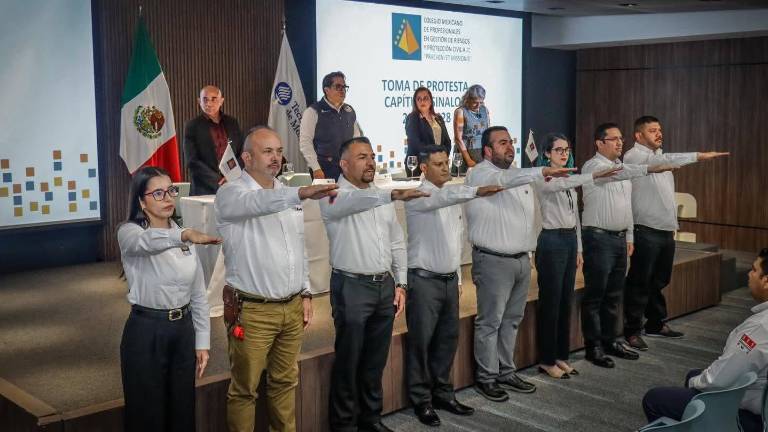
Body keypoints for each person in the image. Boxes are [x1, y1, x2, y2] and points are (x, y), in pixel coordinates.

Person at [215, 126, 338, 432]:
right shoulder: (232, 193)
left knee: (285, 384)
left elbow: (298, 247)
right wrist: (298, 192)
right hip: (253, 312)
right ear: (246, 157)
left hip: (292, 307)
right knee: (244, 390)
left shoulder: (284, 191)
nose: (276, 158)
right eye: (267, 151)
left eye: (280, 151)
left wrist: (306, 293)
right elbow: (259, 204)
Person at [320, 136, 428, 432]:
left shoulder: (380, 194)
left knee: (375, 361)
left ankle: (371, 419)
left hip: (384, 287)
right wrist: (389, 195)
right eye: (361, 157)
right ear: (344, 164)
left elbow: (396, 241)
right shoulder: (333, 194)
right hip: (351, 287)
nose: (370, 162)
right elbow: (352, 203)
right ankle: (343, 425)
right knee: (348, 359)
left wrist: (402, 283)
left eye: (371, 156)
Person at [465, 126, 573, 402]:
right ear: (487, 150)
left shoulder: (518, 175)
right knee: (490, 322)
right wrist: (543, 171)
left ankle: (506, 371)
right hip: (493, 261)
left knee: (512, 321)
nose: (509, 147)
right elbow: (504, 179)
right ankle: (486, 377)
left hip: (521, 259)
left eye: (510, 142)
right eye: (502, 143)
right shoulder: (480, 173)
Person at [404, 145, 503, 426]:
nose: (445, 167)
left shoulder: (449, 196)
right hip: (423, 281)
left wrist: (458, 277)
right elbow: (441, 198)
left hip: (448, 279)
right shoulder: (419, 194)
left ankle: (443, 393)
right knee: (421, 343)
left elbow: (455, 242)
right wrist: (476, 191)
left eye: (446, 162)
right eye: (437, 163)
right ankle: (421, 400)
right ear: (423, 168)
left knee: (447, 340)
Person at [117, 166, 220, 432]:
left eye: (171, 190)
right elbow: (148, 243)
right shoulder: (130, 232)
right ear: (142, 201)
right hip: (146, 332)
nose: (168, 198)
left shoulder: (181, 233)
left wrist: (202, 342)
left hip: (182, 330)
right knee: (147, 414)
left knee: (183, 412)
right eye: (158, 193)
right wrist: (183, 235)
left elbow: (198, 294)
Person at [623, 116, 729, 351]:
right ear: (638, 136)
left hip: (664, 230)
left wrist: (672, 227)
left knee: (660, 280)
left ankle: (655, 323)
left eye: (660, 129)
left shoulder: (660, 156)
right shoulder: (634, 156)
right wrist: (698, 156)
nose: (659, 133)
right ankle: (631, 330)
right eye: (652, 130)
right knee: (640, 282)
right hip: (645, 229)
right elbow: (664, 162)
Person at [580, 123, 676, 368]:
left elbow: (627, 208)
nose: (619, 143)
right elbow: (622, 174)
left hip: (620, 239)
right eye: (613, 139)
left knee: (613, 295)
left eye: (621, 139)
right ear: (599, 143)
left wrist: (630, 237)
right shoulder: (593, 167)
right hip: (598, 239)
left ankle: (610, 341)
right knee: (596, 297)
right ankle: (594, 347)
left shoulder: (622, 169)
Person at [641, 248, 768, 432]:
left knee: (654, 399)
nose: (749, 274)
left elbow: (720, 380)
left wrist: (695, 382)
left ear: (766, 281)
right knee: (693, 374)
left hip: (745, 415)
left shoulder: (760, 328)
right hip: (758, 404)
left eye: (754, 270)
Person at [533, 133, 621, 379]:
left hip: (570, 240)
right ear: (547, 153)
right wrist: (591, 176)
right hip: (551, 241)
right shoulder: (543, 176)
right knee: (550, 303)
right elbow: (559, 185)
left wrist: (580, 248)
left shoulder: (570, 179)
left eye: (566, 149)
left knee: (565, 302)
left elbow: (575, 218)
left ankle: (561, 356)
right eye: (558, 149)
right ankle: (547, 359)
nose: (563, 153)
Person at [299, 71, 362, 181]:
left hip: (347, 168)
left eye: (344, 87)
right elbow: (305, 142)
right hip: (323, 169)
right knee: (328, 199)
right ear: (326, 90)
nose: (342, 90)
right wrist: (316, 168)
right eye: (338, 87)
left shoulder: (349, 110)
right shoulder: (313, 111)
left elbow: (356, 139)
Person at [184, 85, 244, 195]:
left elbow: (242, 153)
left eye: (214, 99)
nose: (209, 103)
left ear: (221, 101)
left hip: (233, 185)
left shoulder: (232, 123)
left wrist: (231, 177)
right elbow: (192, 161)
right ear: (199, 101)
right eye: (205, 99)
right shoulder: (192, 126)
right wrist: (219, 181)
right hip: (204, 189)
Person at [404, 87, 451, 177]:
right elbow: (415, 143)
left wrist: (442, 158)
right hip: (419, 164)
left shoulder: (438, 118)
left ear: (431, 101)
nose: (422, 101)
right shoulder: (413, 118)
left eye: (425, 98)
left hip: (438, 164)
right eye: (419, 99)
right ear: (415, 102)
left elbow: (447, 142)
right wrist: (435, 155)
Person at [453, 84, 490, 169]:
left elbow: (488, 133)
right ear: (468, 99)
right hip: (466, 154)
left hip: (482, 154)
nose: (478, 106)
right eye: (475, 103)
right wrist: (468, 160)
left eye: (481, 102)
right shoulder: (461, 112)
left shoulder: (484, 110)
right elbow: (458, 139)